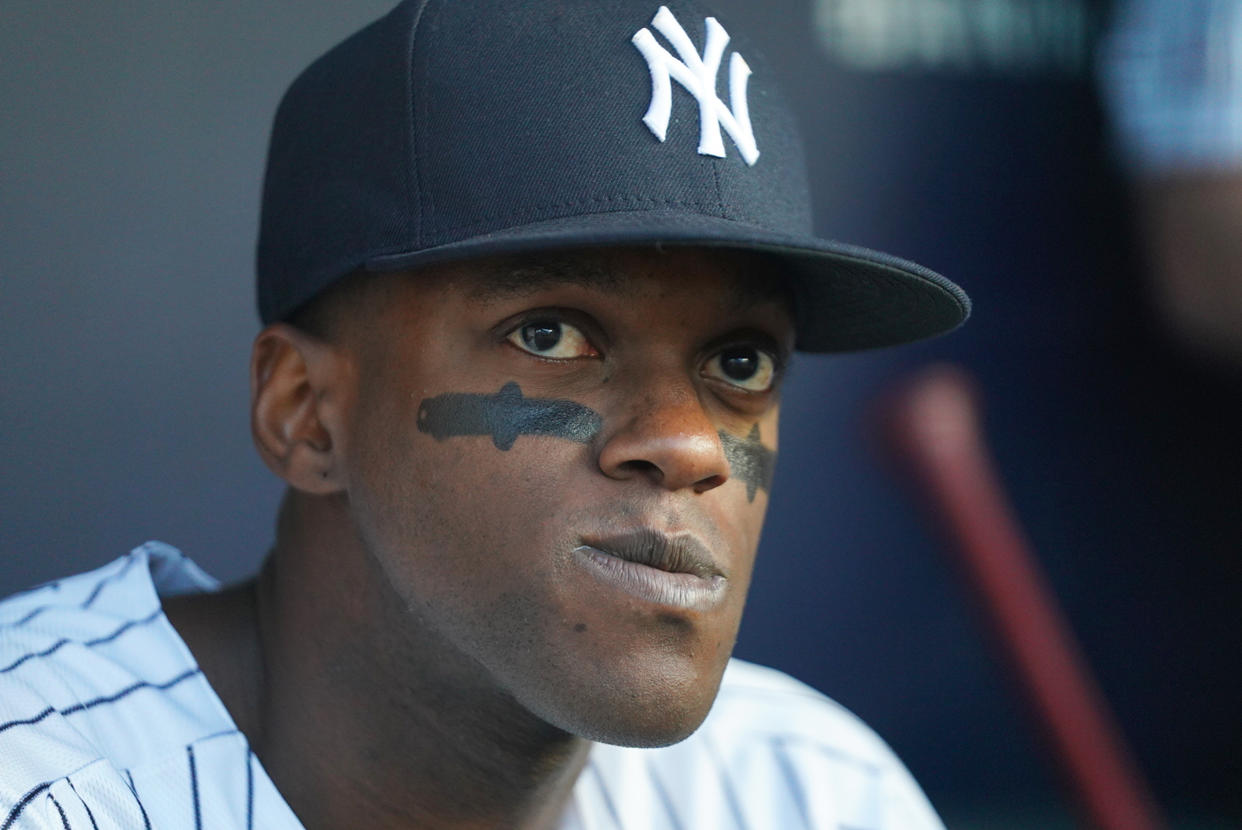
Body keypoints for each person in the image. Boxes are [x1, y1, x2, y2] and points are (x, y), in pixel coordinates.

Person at [0, 1, 969, 827]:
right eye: (551, 334)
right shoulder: (38, 781)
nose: (687, 442)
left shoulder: (809, 790)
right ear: (306, 414)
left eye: (740, 362)